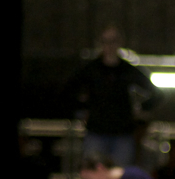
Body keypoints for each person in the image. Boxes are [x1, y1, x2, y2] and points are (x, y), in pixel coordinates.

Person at [64, 25, 162, 166]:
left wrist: (140, 108)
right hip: (96, 131)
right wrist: (84, 108)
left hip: (122, 134)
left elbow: (157, 93)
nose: (109, 46)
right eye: (106, 41)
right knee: (95, 174)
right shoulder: (91, 69)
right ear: (100, 43)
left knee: (120, 177)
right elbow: (67, 91)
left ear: (120, 43)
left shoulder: (127, 70)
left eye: (113, 41)